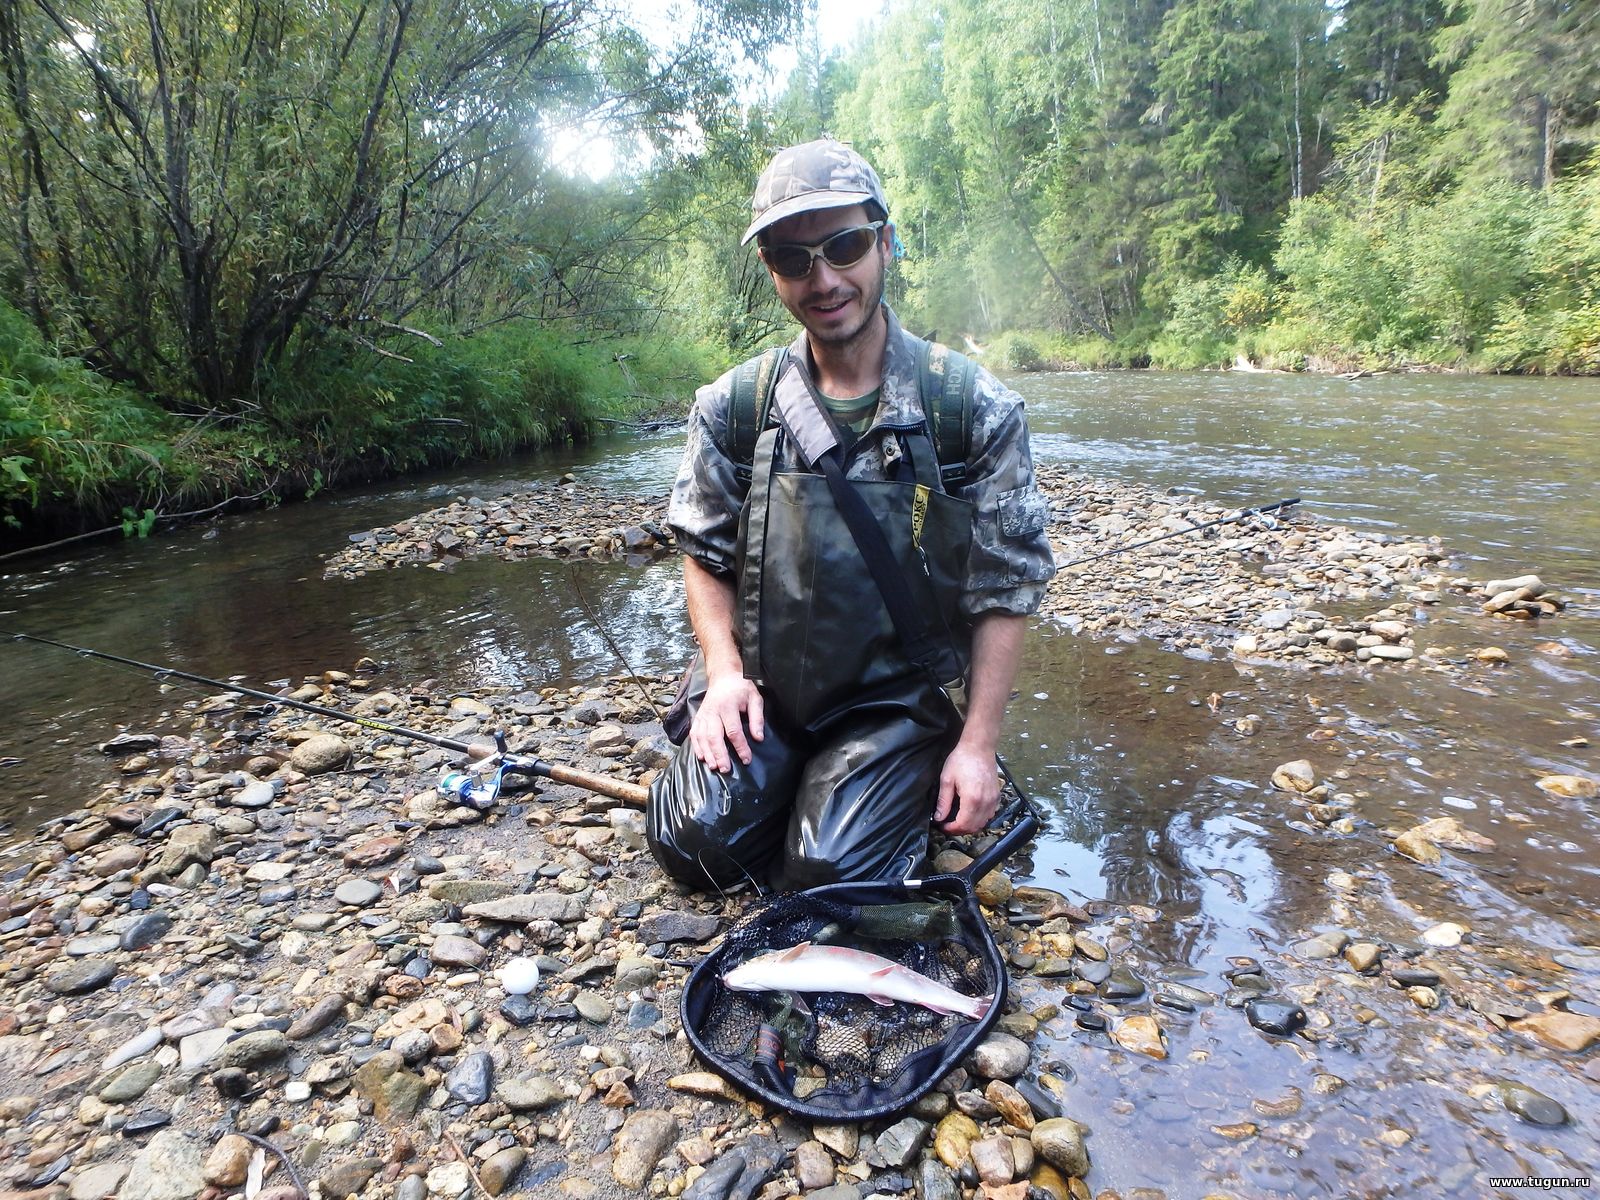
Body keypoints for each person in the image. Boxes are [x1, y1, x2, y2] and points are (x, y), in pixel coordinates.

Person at [647, 138, 1055, 891]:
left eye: (845, 245)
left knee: (829, 871)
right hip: (762, 693)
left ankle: (874, 781)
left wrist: (978, 743)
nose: (825, 279)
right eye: (794, 259)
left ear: (886, 242)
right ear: (771, 269)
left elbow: (1006, 588)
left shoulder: (971, 410)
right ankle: (789, 781)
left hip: (890, 705)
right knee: (693, 846)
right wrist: (723, 676)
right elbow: (704, 554)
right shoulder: (733, 408)